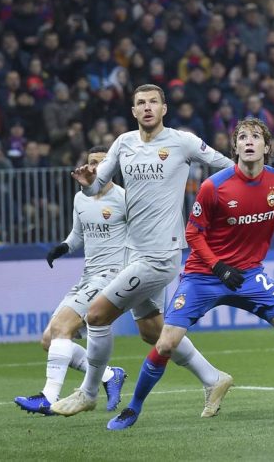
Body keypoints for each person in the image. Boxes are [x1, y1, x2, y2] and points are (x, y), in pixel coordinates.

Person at [106, 119, 274, 429]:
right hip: (203, 276)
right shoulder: (214, 186)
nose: (249, 141)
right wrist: (218, 267)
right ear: (234, 147)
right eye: (242, 137)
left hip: (248, 276)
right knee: (166, 343)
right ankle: (133, 409)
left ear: (267, 147)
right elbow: (193, 234)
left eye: (256, 137)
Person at [51, 85, 235, 418]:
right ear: (133, 111)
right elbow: (97, 187)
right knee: (152, 330)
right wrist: (87, 181)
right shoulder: (123, 143)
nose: (147, 107)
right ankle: (213, 377)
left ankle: (88, 392)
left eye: (153, 102)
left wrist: (239, 201)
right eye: (140, 103)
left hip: (160, 256)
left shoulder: (182, 141)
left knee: (96, 315)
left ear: (164, 108)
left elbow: (228, 168)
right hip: (133, 254)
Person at [14, 146, 127, 416]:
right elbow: (78, 235)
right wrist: (63, 248)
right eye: (91, 162)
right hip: (88, 275)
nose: (95, 167)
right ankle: (110, 375)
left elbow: (141, 236)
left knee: (62, 327)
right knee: (49, 339)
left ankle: (47, 397)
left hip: (111, 276)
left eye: (102, 163)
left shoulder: (125, 198)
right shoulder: (81, 198)